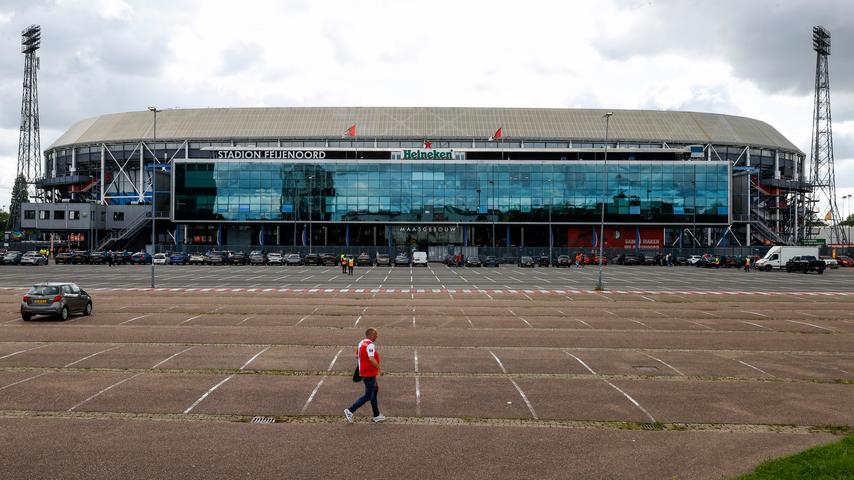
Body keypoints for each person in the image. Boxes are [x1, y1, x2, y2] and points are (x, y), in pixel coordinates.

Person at [344, 327, 384, 423]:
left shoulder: (361, 343)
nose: (377, 337)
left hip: (366, 373)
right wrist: (379, 369)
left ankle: (376, 415)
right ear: (372, 335)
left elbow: (357, 356)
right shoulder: (370, 345)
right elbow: (371, 358)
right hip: (368, 374)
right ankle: (350, 410)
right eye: (376, 335)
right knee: (368, 396)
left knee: (374, 392)